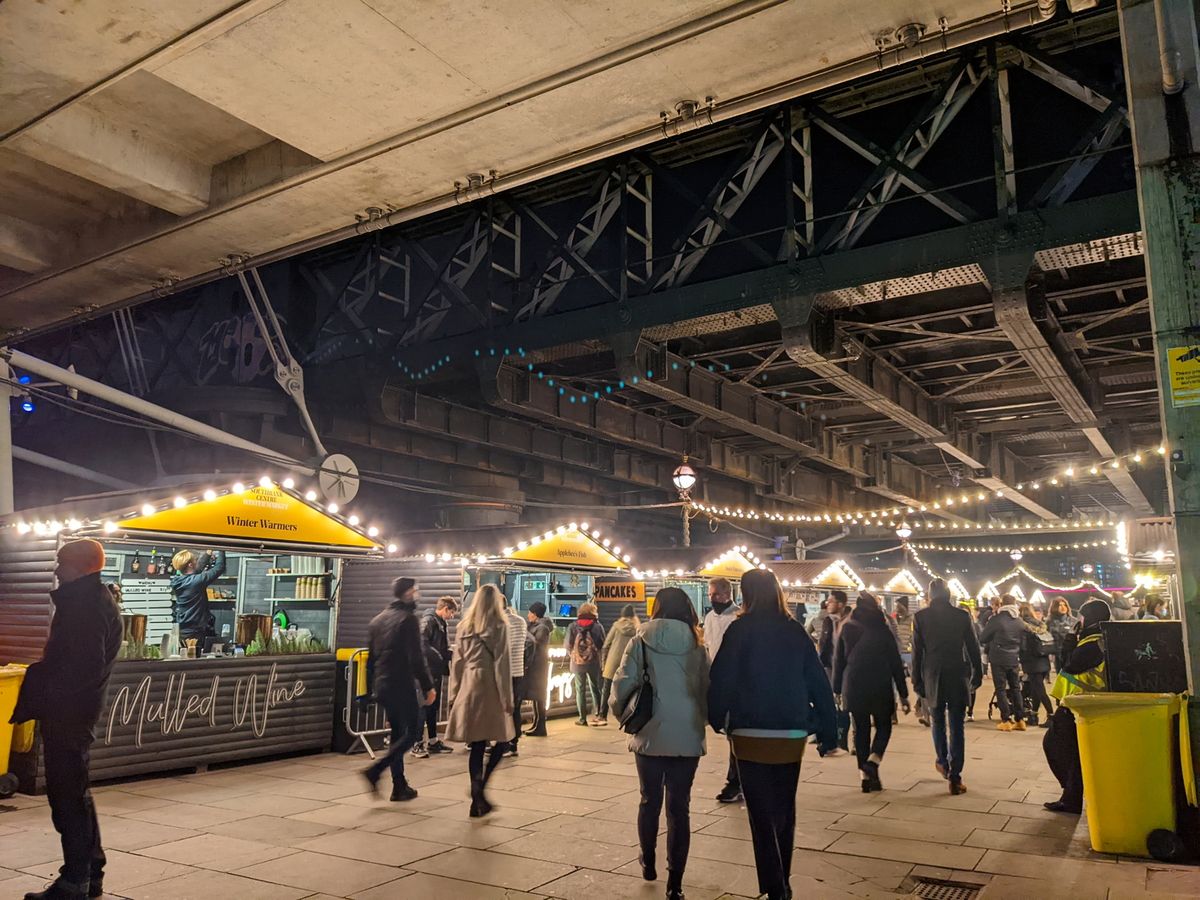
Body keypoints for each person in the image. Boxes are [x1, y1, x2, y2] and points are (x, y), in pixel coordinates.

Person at [708, 569, 837, 900]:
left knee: (760, 814)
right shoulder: (794, 631)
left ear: (747, 594)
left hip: (749, 733)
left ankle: (775, 886)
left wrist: (716, 718)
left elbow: (721, 677)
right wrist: (829, 731)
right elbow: (818, 682)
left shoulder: (739, 630)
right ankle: (782, 881)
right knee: (784, 810)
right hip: (790, 733)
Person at [11, 540, 122, 900]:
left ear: (80, 565)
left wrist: (44, 682)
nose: (57, 570)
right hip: (76, 712)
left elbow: (81, 667)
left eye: (61, 563)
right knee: (77, 796)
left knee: (67, 799)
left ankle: (74, 881)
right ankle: (90, 874)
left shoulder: (85, 606)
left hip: (70, 715)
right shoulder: (92, 601)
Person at [611, 588, 708, 900]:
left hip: (650, 728)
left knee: (648, 799)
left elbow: (623, 681)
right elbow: (707, 686)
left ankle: (648, 861)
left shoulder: (641, 638)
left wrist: (619, 712)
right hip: (688, 731)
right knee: (680, 807)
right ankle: (675, 883)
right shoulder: (698, 642)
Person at [445, 584, 514, 817]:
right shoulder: (499, 625)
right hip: (490, 685)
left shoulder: (464, 626)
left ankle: (477, 796)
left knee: (476, 743)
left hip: (468, 683)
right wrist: (507, 696)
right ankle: (480, 788)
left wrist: (453, 693)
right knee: (503, 739)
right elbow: (502, 664)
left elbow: (457, 661)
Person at [364, 578, 436, 802]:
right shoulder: (408, 620)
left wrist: (369, 690)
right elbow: (416, 658)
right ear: (407, 593)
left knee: (397, 733)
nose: (417, 594)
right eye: (415, 590)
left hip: (382, 684)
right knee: (413, 733)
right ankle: (376, 770)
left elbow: (370, 659)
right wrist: (428, 686)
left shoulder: (378, 620)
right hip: (400, 683)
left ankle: (399, 785)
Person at [912, 578, 983, 796]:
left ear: (930, 595)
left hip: (933, 675)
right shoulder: (962, 616)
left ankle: (942, 761)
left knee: (938, 722)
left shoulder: (920, 617)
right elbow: (973, 647)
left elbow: (917, 653)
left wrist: (917, 680)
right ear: (949, 594)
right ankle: (955, 776)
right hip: (957, 674)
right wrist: (977, 673)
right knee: (957, 725)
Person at [833, 592, 910, 792]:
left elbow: (838, 660)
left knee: (861, 729)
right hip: (879, 685)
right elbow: (895, 662)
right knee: (884, 725)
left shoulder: (848, 628)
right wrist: (903, 694)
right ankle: (873, 762)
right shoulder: (883, 630)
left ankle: (865, 779)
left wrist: (836, 689)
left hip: (854, 684)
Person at [1043, 598, 1110, 814]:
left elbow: (1068, 665)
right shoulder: (1100, 639)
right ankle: (1071, 794)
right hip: (1079, 704)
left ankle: (1071, 796)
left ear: (1088, 619)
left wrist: (1070, 640)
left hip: (1079, 704)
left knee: (1059, 747)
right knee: (1070, 752)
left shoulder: (1091, 644)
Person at [703, 577, 742, 803]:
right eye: (710, 594)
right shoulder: (709, 618)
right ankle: (737, 779)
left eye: (716, 594)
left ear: (728, 593)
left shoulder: (738, 617)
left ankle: (735, 780)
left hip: (734, 681)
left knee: (734, 733)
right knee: (730, 733)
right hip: (716, 680)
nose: (712, 598)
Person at [413, 595, 457, 758]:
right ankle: (417, 743)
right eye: (451, 613)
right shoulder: (429, 621)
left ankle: (432, 741)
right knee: (423, 707)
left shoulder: (440, 622)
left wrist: (449, 654)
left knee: (432, 707)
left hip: (435, 670)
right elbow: (421, 644)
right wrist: (439, 656)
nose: (452, 617)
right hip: (426, 671)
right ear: (445, 609)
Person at [979, 593, 1027, 732]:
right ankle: (1020, 720)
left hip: (998, 657)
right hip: (1014, 657)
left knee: (1000, 689)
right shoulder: (1019, 620)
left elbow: (983, 637)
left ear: (1002, 604)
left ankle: (1006, 720)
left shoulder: (996, 619)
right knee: (1016, 688)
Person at [169, 549, 226, 652]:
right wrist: (221, 548)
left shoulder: (178, 581)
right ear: (190, 565)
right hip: (196, 632)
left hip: (184, 630)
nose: (197, 561)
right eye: (195, 560)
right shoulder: (196, 582)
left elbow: (197, 570)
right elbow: (219, 568)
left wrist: (207, 554)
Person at [566, 602, 606, 726]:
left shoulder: (573, 626)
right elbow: (602, 644)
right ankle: (598, 714)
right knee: (595, 687)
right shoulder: (597, 626)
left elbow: (568, 644)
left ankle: (582, 718)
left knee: (580, 689)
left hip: (578, 663)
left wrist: (574, 655)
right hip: (593, 661)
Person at [600, 604, 640, 726]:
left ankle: (602, 716)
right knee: (629, 689)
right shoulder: (638, 628)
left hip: (613, 661)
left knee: (606, 689)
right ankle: (627, 715)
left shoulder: (616, 626)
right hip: (629, 661)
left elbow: (606, 644)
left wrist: (603, 662)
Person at [1018, 603, 1054, 727]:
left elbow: (1023, 646)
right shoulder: (1040, 624)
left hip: (1032, 663)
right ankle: (1034, 716)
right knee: (1035, 689)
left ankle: (1051, 715)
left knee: (1040, 690)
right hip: (1044, 661)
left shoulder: (1023, 627)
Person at [501, 595, 528, 756]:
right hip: (519, 671)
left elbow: (503, 649)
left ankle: (504, 743)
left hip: (505, 672)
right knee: (515, 708)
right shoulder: (521, 621)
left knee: (504, 709)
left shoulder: (500, 622)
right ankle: (514, 743)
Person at [523, 602, 554, 736]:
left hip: (538, 665)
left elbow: (537, 644)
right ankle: (536, 723)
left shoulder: (542, 628)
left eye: (530, 612)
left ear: (535, 614)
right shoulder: (536, 626)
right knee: (536, 695)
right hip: (535, 664)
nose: (528, 615)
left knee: (539, 695)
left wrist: (528, 636)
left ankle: (541, 725)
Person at [1046, 596, 1078, 673]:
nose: (1063, 607)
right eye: (1060, 605)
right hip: (1058, 654)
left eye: (1065, 605)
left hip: (1072, 653)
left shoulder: (1073, 621)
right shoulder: (1049, 622)